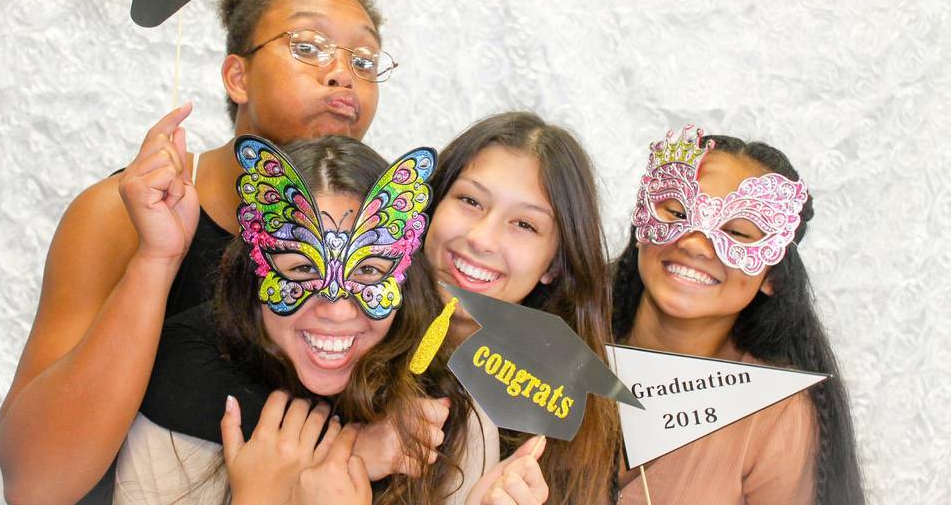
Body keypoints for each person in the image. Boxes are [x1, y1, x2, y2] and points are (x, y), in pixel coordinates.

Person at [0, 0, 395, 504]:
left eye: (364, 60)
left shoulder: (386, 241)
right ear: (238, 77)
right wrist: (155, 260)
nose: (343, 75)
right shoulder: (119, 216)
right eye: (308, 47)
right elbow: (36, 483)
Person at [113, 134, 550, 505]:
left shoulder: (455, 429)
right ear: (255, 268)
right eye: (304, 269)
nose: (338, 308)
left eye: (367, 271)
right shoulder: (176, 405)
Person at [611, 126, 865, 504]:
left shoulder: (777, 416)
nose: (696, 243)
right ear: (643, 227)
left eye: (738, 233)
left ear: (773, 277)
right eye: (678, 211)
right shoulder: (559, 333)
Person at [425, 111, 621, 504]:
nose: (481, 238)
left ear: (554, 265)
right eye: (469, 200)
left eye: (524, 225)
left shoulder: (565, 423)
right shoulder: (342, 339)